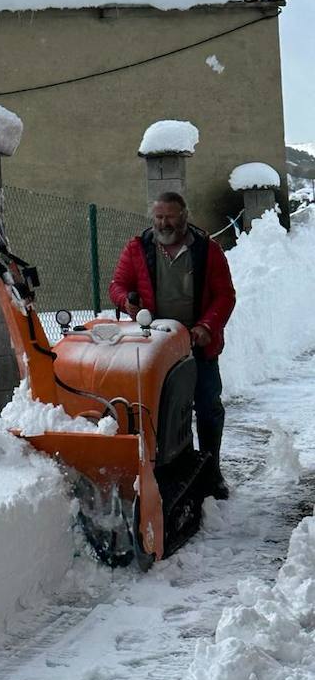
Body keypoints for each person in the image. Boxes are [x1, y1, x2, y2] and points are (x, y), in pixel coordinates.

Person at [109, 191, 236, 499]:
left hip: (197, 344)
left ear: (184, 216)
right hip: (156, 346)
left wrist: (207, 326)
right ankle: (176, 471)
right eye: (159, 217)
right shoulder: (138, 248)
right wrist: (126, 300)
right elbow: (117, 285)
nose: (164, 223)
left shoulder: (208, 250)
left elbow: (225, 295)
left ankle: (211, 471)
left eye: (170, 216)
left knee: (208, 407)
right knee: (165, 413)